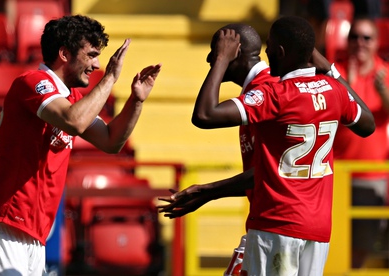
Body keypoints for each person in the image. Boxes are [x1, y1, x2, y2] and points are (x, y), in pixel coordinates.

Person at [160, 15, 375, 275]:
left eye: (215, 51)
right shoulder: (332, 89)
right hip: (316, 229)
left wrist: (221, 59)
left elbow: (204, 115)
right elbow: (367, 123)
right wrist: (330, 68)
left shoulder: (273, 93)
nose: (266, 52)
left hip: (277, 224)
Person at [0, 14, 161, 275]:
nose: (97, 64)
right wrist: (110, 79)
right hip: (4, 226)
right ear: (64, 53)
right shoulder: (33, 82)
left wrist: (136, 101)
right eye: (91, 55)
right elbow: (74, 122)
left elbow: (111, 141)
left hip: (34, 235)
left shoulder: (71, 97)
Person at [332, 16, 389, 268]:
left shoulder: (384, 74)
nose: (360, 43)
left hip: (372, 176)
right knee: (331, 243)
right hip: (336, 174)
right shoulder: (336, 71)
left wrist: (384, 94)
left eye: (366, 37)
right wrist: (350, 85)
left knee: (362, 245)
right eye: (354, 36)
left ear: (376, 42)